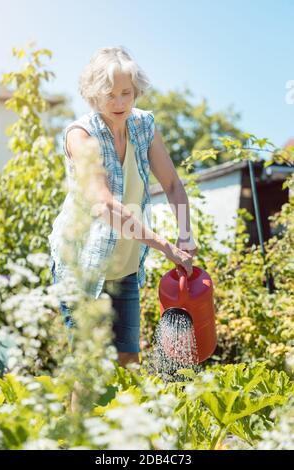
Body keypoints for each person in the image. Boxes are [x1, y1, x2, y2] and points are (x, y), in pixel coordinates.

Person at [48, 46, 197, 376]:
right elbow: (104, 205)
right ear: (92, 94)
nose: (119, 103)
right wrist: (166, 247)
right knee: (88, 371)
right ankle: (77, 427)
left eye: (126, 93)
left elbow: (172, 184)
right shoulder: (81, 135)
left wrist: (185, 235)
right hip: (83, 268)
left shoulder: (144, 125)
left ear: (136, 90)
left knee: (128, 364)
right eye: (109, 94)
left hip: (125, 269)